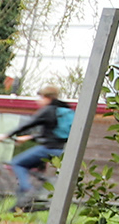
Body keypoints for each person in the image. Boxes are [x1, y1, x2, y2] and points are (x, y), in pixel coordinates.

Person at [8, 84, 74, 212]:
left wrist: (7, 134)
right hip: (60, 149)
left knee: (17, 164)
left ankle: (28, 191)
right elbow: (50, 133)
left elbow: (29, 123)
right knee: (35, 170)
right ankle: (21, 206)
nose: (38, 101)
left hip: (49, 148)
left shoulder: (48, 110)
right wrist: (29, 138)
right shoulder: (63, 110)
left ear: (47, 97)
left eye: (40, 97)